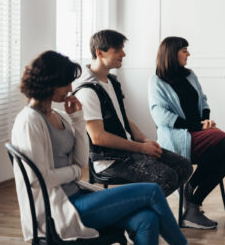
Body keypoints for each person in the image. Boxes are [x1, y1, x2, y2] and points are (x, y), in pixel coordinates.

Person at [11, 50, 197, 245]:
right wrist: (74, 172)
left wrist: (78, 119)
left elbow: (81, 161)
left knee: (147, 218)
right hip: (57, 210)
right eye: (65, 83)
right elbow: (37, 179)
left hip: (77, 196)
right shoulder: (30, 121)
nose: (70, 88)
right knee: (151, 191)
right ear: (49, 82)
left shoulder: (58, 115)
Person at [73, 30, 192, 196]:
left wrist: (144, 140)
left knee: (184, 167)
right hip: (111, 161)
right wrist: (141, 148)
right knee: (167, 177)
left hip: (129, 151)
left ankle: (160, 211)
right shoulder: (87, 91)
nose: (124, 54)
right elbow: (98, 137)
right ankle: (135, 214)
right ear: (100, 53)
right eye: (118, 50)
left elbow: (122, 117)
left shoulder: (112, 81)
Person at [148, 36, 225, 229]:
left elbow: (203, 100)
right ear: (172, 54)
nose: (188, 54)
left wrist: (205, 119)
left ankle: (192, 201)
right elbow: (161, 116)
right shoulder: (156, 81)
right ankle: (190, 194)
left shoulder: (190, 75)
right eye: (184, 50)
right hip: (177, 137)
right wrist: (197, 126)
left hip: (197, 133)